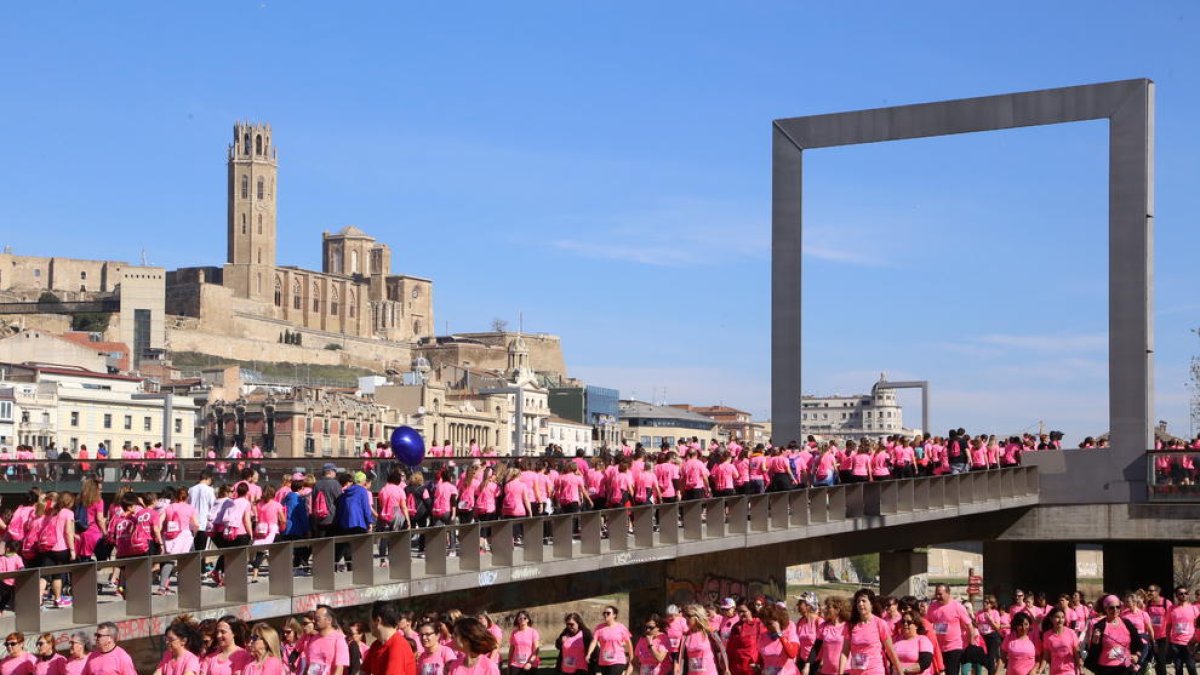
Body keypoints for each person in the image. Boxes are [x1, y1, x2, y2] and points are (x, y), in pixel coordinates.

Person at [842, 589, 904, 675]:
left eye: (864, 601)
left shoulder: (880, 623)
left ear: (871, 604)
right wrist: (840, 672)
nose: (860, 604)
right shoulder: (850, 625)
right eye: (858, 602)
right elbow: (844, 652)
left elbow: (890, 651)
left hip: (875, 670)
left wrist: (900, 672)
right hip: (856, 671)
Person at [1084, 594, 1143, 675]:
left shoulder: (1127, 623)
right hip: (1106, 668)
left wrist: (1137, 655)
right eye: (1111, 608)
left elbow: (1139, 643)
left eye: (1118, 607)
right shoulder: (1100, 626)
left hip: (1125, 667)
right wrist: (1095, 642)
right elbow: (1094, 650)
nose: (1115, 610)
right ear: (1105, 609)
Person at [925, 583, 974, 675]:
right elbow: (927, 624)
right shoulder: (932, 607)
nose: (938, 596)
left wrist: (971, 645)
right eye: (936, 594)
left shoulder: (957, 606)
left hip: (954, 647)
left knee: (951, 672)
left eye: (940, 594)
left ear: (948, 593)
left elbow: (969, 626)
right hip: (938, 647)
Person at [362, 601, 416, 675]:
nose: (368, 624)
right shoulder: (376, 645)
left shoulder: (398, 646)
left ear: (378, 620)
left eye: (370, 620)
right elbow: (363, 672)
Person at [676, 604, 728, 675]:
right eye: (685, 616)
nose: (686, 619)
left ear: (698, 617)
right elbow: (680, 658)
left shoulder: (710, 633)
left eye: (689, 616)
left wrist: (726, 669)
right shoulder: (685, 636)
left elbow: (722, 650)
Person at [306, 604, 351, 675]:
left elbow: (339, 669)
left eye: (317, 618)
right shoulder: (313, 640)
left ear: (329, 620)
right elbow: (308, 666)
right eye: (314, 619)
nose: (314, 621)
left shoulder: (339, 639)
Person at [587, 606, 633, 675]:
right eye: (604, 613)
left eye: (608, 613)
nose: (605, 615)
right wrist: (589, 654)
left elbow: (629, 643)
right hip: (604, 661)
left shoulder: (621, 627)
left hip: (618, 660)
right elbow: (594, 642)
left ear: (614, 615)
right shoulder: (599, 628)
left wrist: (631, 656)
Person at [757, 603, 800, 675]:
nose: (766, 626)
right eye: (764, 623)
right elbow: (762, 658)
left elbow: (792, 653)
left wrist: (779, 633)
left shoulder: (789, 631)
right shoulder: (763, 636)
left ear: (778, 621)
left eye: (769, 623)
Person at [1163, 587, 1197, 675]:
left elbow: (1198, 626)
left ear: (1188, 595)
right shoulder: (1171, 609)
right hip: (1175, 644)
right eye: (1181, 594)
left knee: (1191, 667)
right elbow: (1168, 625)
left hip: (1189, 643)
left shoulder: (1194, 609)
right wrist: (1167, 641)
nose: (1183, 595)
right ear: (1176, 596)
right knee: (1178, 668)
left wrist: (1196, 640)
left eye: (1185, 593)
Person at [1036, 608, 1080, 675]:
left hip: (1070, 671)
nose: (1060, 620)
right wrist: (1040, 670)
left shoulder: (1071, 633)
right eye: (1057, 617)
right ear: (1051, 619)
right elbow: (1046, 656)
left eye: (1062, 617)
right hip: (1055, 671)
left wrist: (1080, 670)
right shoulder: (1046, 635)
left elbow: (1076, 653)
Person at [812, 596, 848, 675]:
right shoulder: (823, 626)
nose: (825, 610)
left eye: (828, 607)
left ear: (837, 610)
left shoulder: (848, 626)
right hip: (826, 671)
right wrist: (808, 665)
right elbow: (816, 649)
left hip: (845, 671)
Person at [725, 604, 761, 675]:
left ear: (751, 611)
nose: (741, 614)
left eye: (743, 611)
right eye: (739, 612)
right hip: (736, 667)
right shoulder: (735, 626)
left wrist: (759, 663)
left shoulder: (758, 624)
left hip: (752, 666)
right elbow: (730, 648)